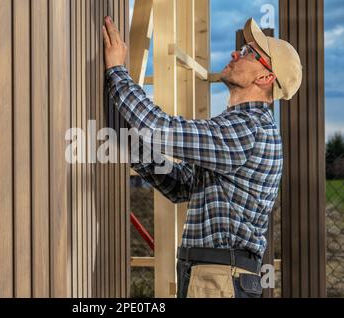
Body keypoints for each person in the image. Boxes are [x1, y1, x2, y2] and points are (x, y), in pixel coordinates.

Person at [102, 16, 302, 298]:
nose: (236, 53)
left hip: (218, 278)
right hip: (211, 274)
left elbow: (161, 129)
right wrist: (132, 146)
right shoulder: (237, 127)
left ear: (265, 77)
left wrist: (117, 71)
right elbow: (182, 184)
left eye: (248, 53)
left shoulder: (247, 129)